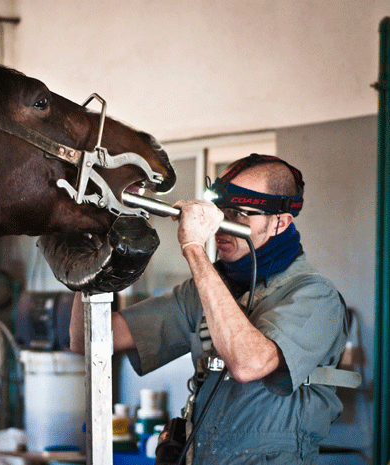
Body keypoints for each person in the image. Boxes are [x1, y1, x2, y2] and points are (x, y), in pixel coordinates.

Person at [69, 154, 349, 464]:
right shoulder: (207, 289)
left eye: (240, 214)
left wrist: (193, 248)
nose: (222, 226)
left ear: (280, 222)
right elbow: (89, 339)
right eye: (220, 211)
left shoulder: (314, 296)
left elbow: (248, 364)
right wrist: (90, 258)